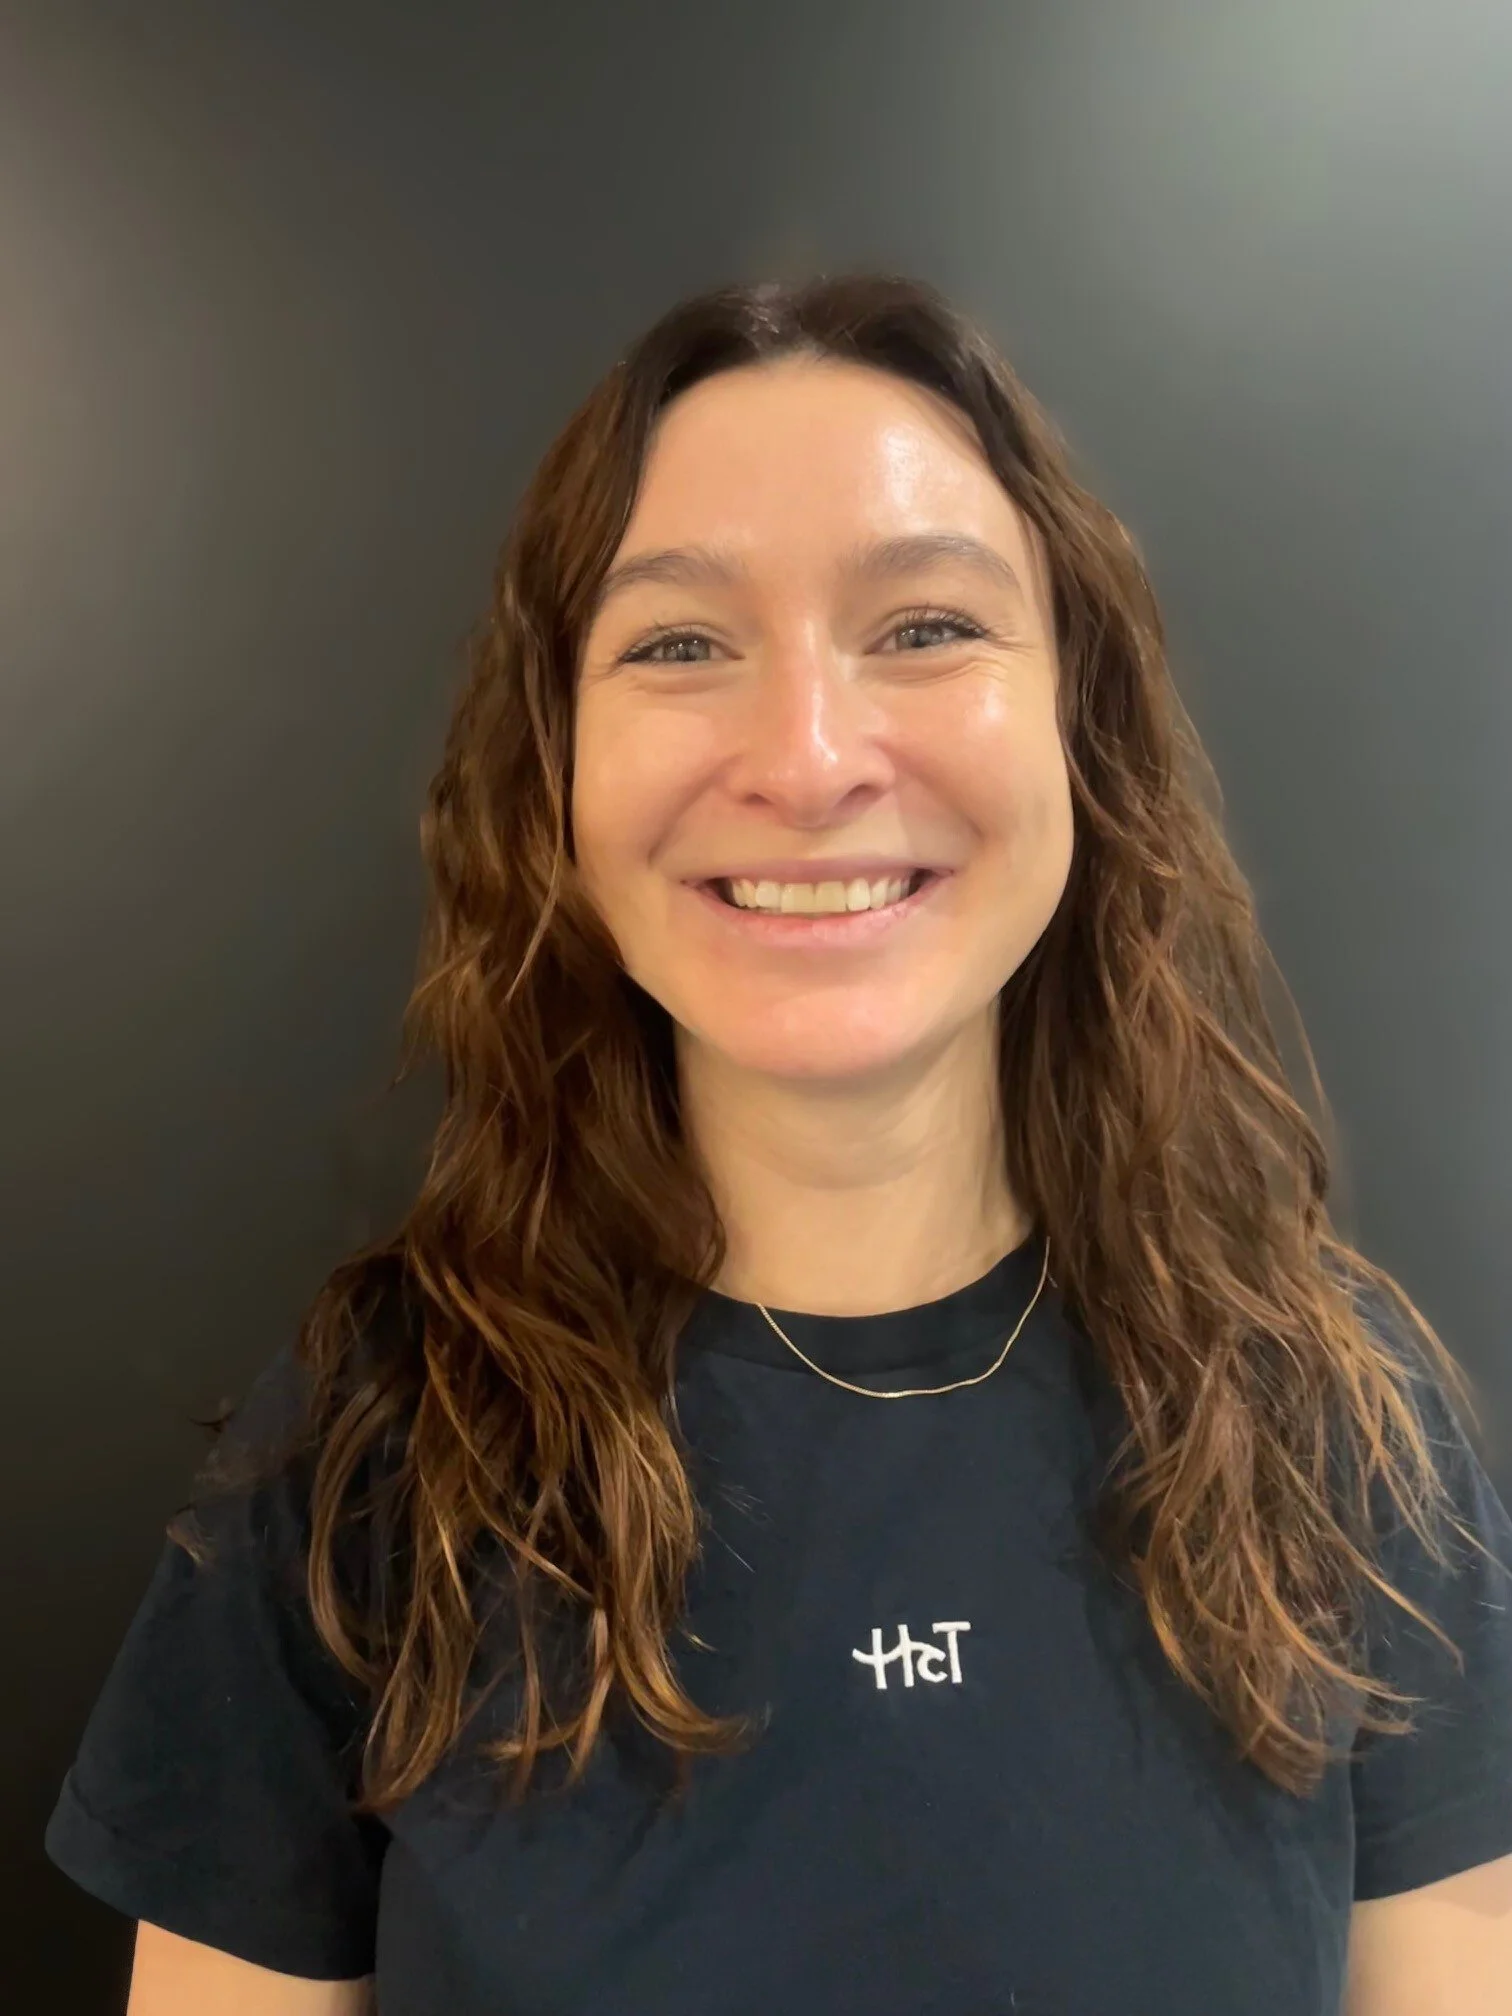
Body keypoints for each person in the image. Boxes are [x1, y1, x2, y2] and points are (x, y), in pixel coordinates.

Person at [45, 274, 1512, 2016]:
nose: (810, 759)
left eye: (926, 626)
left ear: (1080, 728)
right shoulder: (372, 1454)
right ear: (558, 776)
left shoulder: (1341, 1431)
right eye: (679, 643)